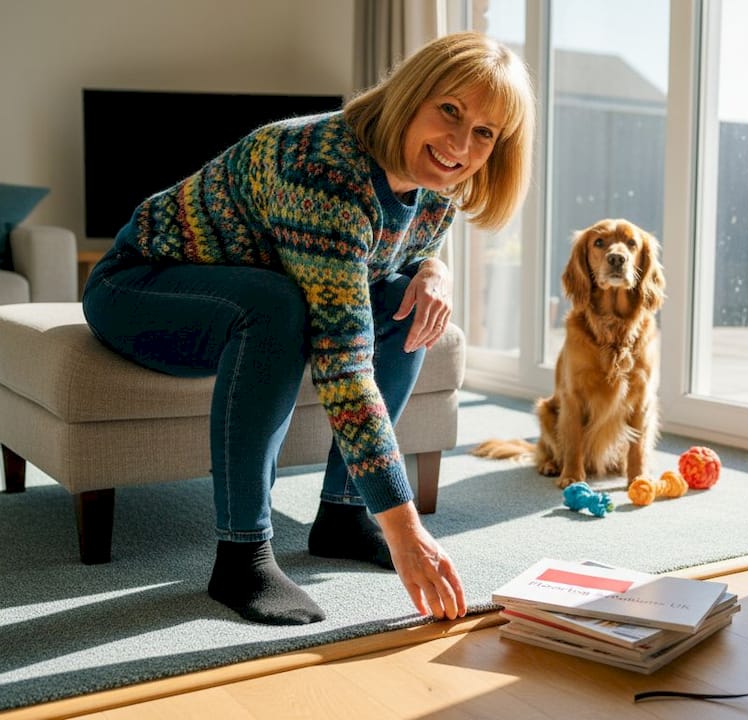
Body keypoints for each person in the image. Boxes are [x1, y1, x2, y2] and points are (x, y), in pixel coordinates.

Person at [81, 31, 535, 625]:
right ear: (410, 94)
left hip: (244, 291)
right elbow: (343, 365)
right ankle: (241, 554)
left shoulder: (436, 183)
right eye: (450, 110)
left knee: (403, 302)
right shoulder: (322, 171)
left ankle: (344, 516)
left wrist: (433, 271)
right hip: (140, 286)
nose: (459, 143)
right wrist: (404, 528)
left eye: (484, 133)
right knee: (275, 304)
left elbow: (393, 254)